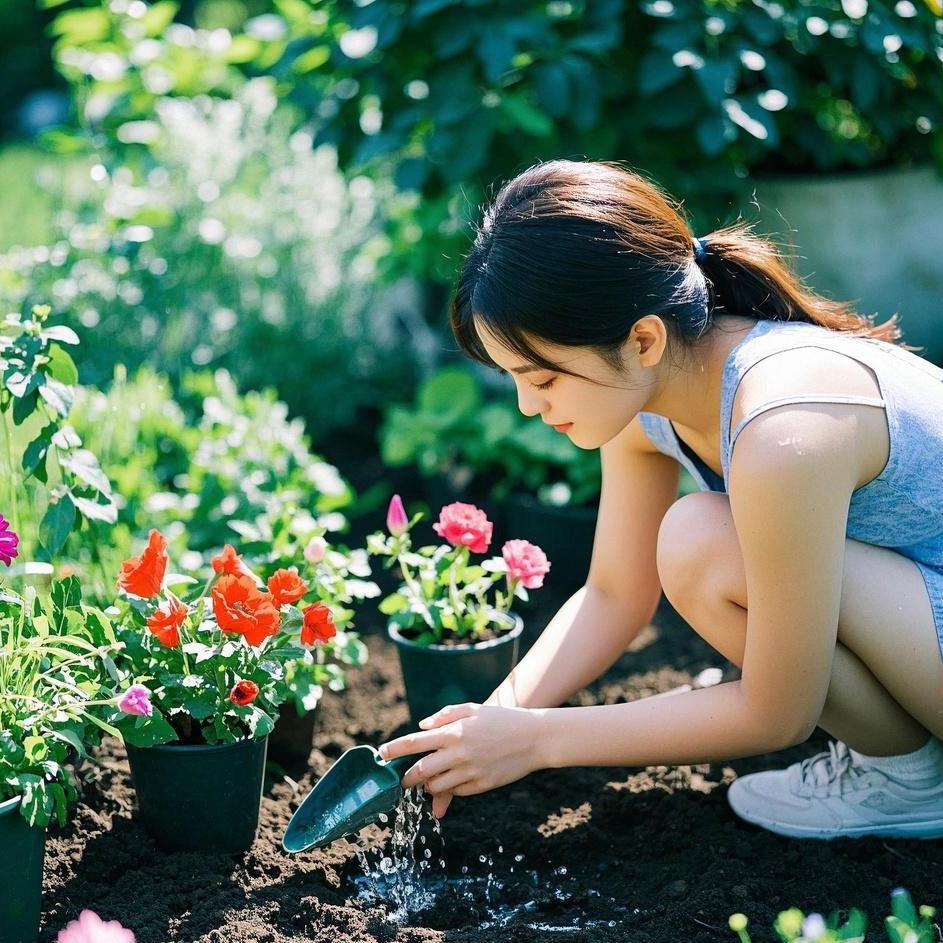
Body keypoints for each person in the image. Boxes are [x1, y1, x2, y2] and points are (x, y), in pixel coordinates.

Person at [377, 158, 943, 840]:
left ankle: (906, 783)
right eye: (514, 379)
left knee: (699, 543)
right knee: (702, 541)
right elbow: (614, 593)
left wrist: (537, 740)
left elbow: (775, 715)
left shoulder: (779, 427)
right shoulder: (651, 390)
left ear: (642, 337)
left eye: (544, 378)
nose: (529, 405)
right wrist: (490, 724)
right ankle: (911, 772)